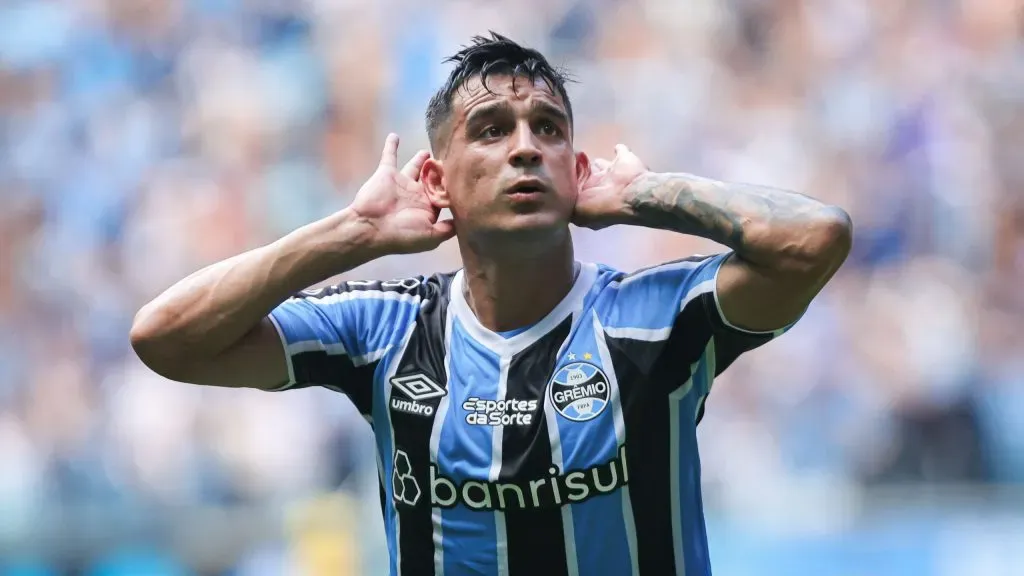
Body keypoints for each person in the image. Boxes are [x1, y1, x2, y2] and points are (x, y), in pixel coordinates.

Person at [130, 32, 852, 576]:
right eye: (491, 129)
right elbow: (167, 338)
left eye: (548, 128)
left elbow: (816, 238)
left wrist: (643, 195)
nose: (525, 147)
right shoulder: (385, 329)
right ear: (436, 180)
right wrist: (351, 234)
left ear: (575, 170)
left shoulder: (652, 321)